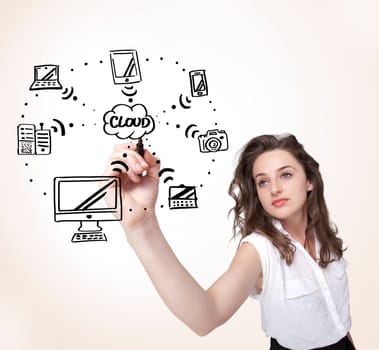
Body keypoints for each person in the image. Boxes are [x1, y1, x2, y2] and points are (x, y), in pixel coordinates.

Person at [104, 134, 355, 350]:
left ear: (309, 181)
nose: (275, 189)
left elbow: (336, 321)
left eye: (286, 175)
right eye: (263, 181)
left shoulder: (323, 234)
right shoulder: (259, 248)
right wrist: (142, 227)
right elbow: (206, 315)